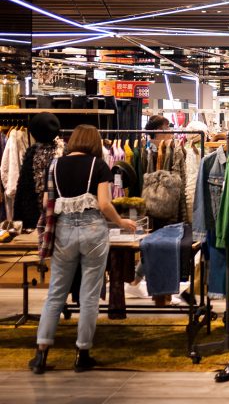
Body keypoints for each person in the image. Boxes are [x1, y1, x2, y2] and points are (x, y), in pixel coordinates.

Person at [29, 125, 137, 374]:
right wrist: (121, 222)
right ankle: (82, 353)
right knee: (89, 294)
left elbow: (46, 201)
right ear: (95, 142)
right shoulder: (98, 165)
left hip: (64, 230)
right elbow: (104, 204)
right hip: (93, 229)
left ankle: (41, 354)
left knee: (56, 292)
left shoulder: (54, 165)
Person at [125, 115, 172, 299]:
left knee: (153, 245)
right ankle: (157, 291)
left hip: (152, 205)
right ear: (158, 131)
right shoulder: (151, 150)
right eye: (167, 128)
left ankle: (137, 282)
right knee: (155, 245)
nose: (170, 132)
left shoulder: (159, 149)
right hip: (153, 206)